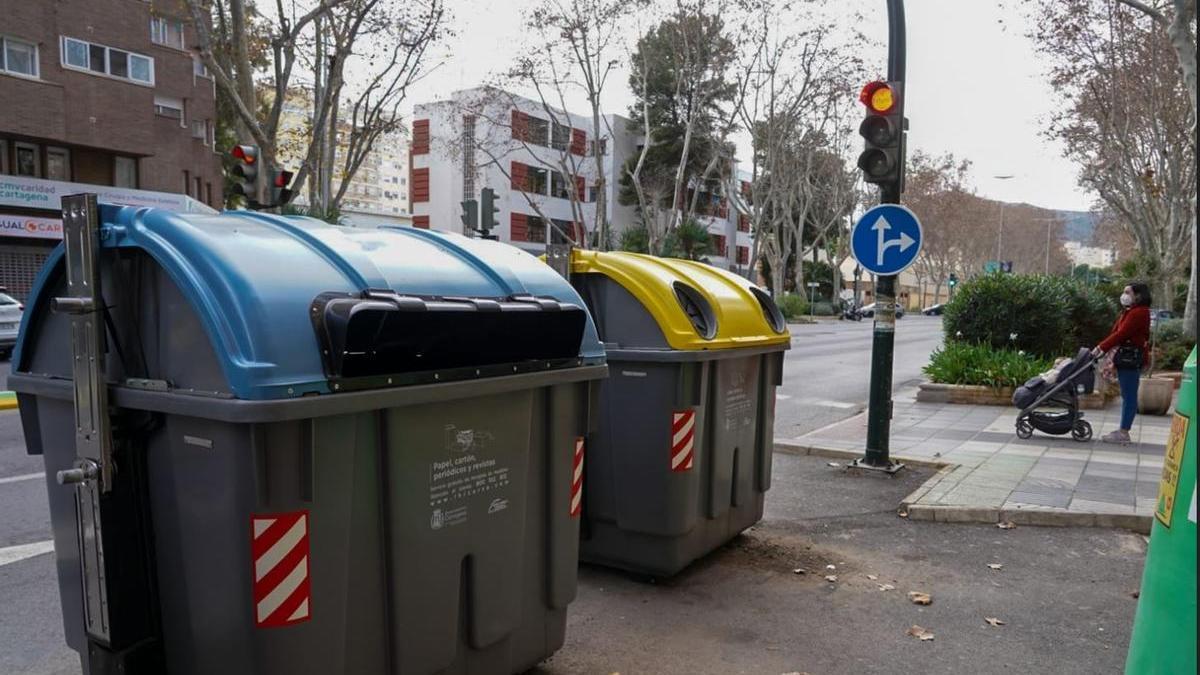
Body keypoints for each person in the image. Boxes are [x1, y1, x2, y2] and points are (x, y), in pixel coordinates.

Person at [1091, 282, 1152, 444]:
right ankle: (1123, 430)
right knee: (1127, 394)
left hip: (1129, 358)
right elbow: (1118, 332)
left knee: (1129, 395)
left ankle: (1124, 432)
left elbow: (1121, 334)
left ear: (1137, 295)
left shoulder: (1138, 313)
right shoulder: (1132, 311)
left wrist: (1100, 348)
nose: (1123, 295)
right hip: (1127, 356)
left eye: (1127, 292)